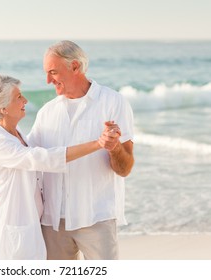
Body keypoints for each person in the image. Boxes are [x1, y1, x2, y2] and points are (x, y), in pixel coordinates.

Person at [0, 74, 117, 260]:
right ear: (3, 108)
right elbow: (44, 158)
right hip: (11, 228)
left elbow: (24, 159)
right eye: (18, 97)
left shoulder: (16, 135)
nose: (25, 100)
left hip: (30, 227)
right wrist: (97, 144)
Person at [25, 40, 135, 260]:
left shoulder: (113, 103)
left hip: (96, 218)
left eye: (53, 72)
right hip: (53, 221)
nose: (48, 80)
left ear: (75, 67)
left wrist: (114, 148)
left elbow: (125, 169)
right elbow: (27, 158)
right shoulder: (47, 112)